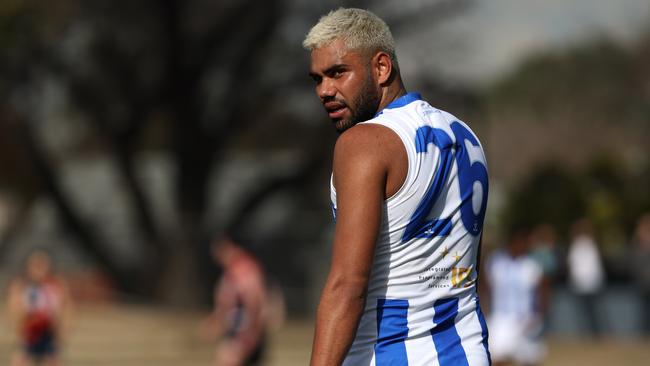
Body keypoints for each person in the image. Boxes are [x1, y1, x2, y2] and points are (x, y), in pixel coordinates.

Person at [303, 8, 491, 365]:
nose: (325, 90)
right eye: (317, 79)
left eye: (338, 72)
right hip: (467, 353)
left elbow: (348, 286)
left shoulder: (364, 142)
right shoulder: (464, 135)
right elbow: (465, 271)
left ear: (382, 67)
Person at [200, 237, 273, 366]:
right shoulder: (231, 273)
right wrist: (213, 322)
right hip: (237, 330)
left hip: (245, 332)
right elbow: (225, 304)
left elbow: (254, 301)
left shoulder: (245, 271)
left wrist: (250, 334)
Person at [484, 229, 550, 366]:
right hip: (501, 318)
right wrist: (486, 311)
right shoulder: (496, 263)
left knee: (529, 359)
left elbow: (543, 288)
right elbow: (486, 287)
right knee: (497, 357)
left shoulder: (530, 265)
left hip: (524, 319)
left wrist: (539, 314)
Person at [6, 250, 73, 366]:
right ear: (28, 267)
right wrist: (22, 324)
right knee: (18, 360)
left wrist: (62, 330)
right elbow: (14, 310)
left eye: (42, 265)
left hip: (49, 333)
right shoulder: (21, 285)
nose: (38, 270)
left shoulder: (56, 285)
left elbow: (66, 308)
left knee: (54, 360)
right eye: (35, 265)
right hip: (29, 332)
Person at [566, 218, 605, 337]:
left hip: (591, 284)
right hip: (581, 284)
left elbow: (594, 266)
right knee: (584, 312)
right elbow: (573, 265)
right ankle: (587, 333)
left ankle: (596, 333)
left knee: (594, 311)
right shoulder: (576, 246)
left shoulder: (590, 245)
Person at [630, 213, 650, 335]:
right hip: (644, 285)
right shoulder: (638, 247)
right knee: (644, 312)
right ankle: (643, 334)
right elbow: (635, 264)